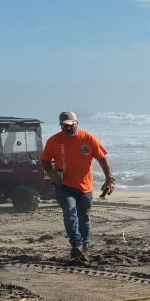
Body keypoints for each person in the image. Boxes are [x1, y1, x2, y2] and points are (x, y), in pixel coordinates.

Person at [40, 111, 114, 264]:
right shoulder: (54, 141)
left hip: (85, 187)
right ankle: (76, 244)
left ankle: (85, 245)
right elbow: (45, 160)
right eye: (63, 126)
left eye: (70, 125)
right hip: (64, 186)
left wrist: (109, 179)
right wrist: (51, 174)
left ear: (77, 123)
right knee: (70, 213)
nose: (67, 129)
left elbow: (103, 158)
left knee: (84, 217)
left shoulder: (88, 138)